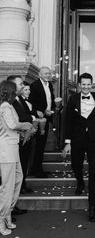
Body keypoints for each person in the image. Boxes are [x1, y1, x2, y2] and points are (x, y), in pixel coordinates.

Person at [63, 73, 95, 222]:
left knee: (94, 172)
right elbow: (68, 121)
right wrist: (68, 142)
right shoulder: (72, 99)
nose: (86, 87)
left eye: (88, 84)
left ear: (92, 85)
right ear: (79, 85)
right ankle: (80, 181)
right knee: (76, 165)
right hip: (77, 139)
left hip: (93, 139)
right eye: (83, 84)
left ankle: (92, 207)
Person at [0, 80, 32, 236]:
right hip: (6, 152)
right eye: (17, 87)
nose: (20, 88)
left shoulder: (9, 105)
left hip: (13, 149)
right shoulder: (5, 106)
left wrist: (22, 132)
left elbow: (10, 128)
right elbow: (12, 125)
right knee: (7, 187)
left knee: (18, 180)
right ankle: (1, 218)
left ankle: (7, 214)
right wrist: (26, 125)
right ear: (10, 91)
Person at [28, 66, 55, 178]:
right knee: (37, 145)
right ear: (39, 75)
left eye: (49, 73)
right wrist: (38, 111)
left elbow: (50, 100)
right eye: (45, 73)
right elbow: (30, 103)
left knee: (41, 145)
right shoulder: (34, 86)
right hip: (36, 120)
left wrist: (52, 109)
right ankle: (35, 170)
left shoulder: (50, 85)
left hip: (46, 118)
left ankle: (37, 168)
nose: (48, 75)